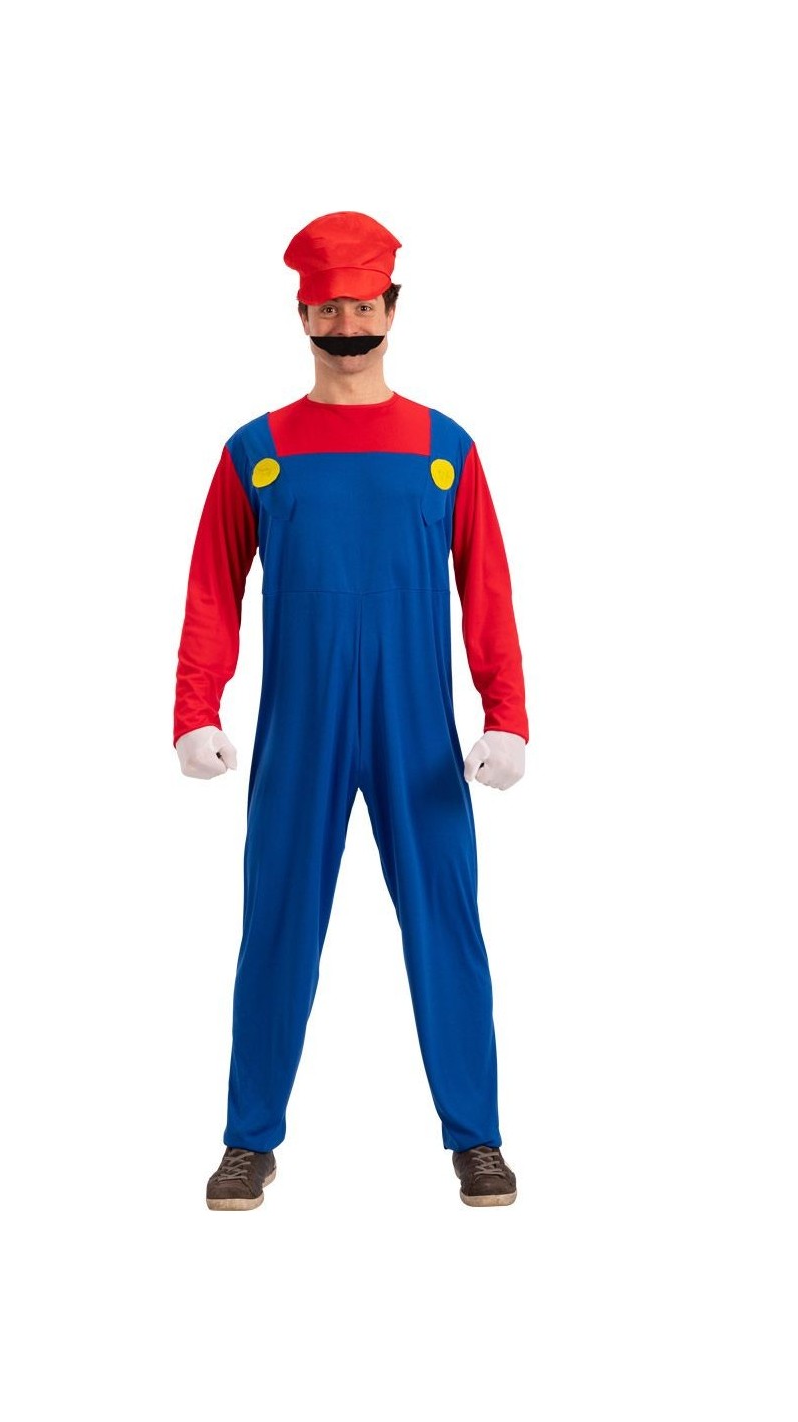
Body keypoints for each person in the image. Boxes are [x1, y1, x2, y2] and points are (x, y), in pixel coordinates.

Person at [174, 211, 529, 1210]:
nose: (346, 325)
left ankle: (477, 1136)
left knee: (445, 922)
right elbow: (212, 587)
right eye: (328, 308)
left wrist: (505, 715)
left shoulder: (445, 447)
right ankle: (248, 1139)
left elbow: (487, 588)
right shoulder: (257, 450)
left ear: (392, 309)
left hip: (417, 727)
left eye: (363, 306)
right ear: (301, 315)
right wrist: (196, 707)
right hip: (301, 725)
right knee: (277, 925)